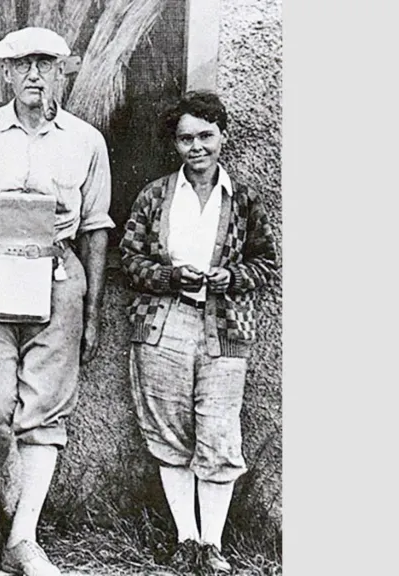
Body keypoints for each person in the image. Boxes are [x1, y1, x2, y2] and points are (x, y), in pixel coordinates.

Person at [0, 27, 114, 576]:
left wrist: (92, 310)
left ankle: (22, 537)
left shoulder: (85, 140)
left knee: (46, 406)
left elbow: (96, 228)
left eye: (46, 64)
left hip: (58, 273)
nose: (34, 75)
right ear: (6, 75)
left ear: (63, 72)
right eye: (23, 65)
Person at [118, 91, 280, 574]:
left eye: (206, 136)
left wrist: (231, 278)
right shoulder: (155, 195)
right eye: (186, 138)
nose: (196, 147)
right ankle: (186, 539)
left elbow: (266, 264)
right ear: (175, 144)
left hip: (225, 328)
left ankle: (213, 545)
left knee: (219, 432)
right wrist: (170, 277)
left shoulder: (244, 199)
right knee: (169, 432)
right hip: (162, 326)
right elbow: (130, 260)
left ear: (222, 136)